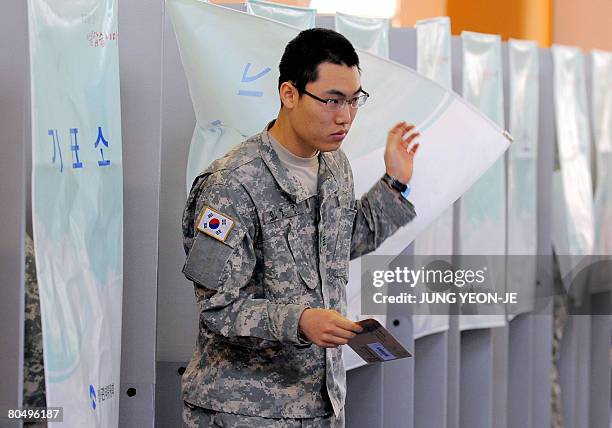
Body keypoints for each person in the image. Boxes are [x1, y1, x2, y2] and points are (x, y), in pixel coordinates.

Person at [181, 28, 420, 428]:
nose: (344, 116)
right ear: (289, 94)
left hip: (321, 403)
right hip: (244, 412)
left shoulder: (333, 164)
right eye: (331, 100)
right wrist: (300, 319)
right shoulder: (230, 184)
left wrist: (394, 183)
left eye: (353, 100)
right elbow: (216, 307)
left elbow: (340, 245)